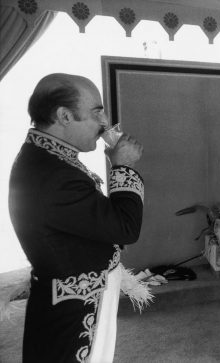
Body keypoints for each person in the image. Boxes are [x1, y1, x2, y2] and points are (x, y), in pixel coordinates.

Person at [8, 73, 145, 362]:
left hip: (74, 296)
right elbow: (124, 228)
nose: (105, 122)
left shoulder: (47, 157)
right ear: (64, 115)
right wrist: (123, 167)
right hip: (74, 310)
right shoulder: (54, 173)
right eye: (97, 112)